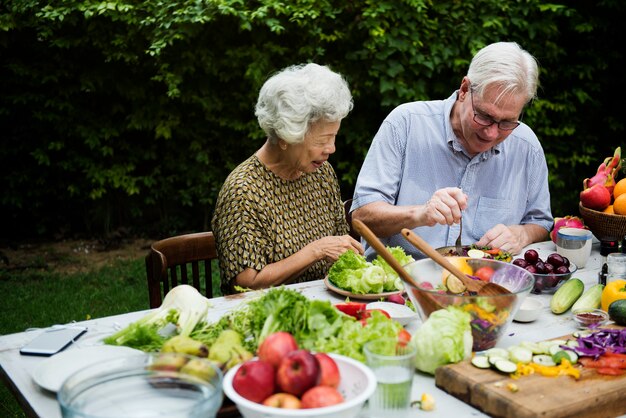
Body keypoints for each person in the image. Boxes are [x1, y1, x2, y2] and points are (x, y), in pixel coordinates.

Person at [351, 42, 553, 260]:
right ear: (465, 90)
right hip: (400, 282)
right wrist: (420, 213)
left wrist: (522, 234)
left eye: (507, 122)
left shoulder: (526, 146)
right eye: (484, 116)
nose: (492, 134)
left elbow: (540, 222)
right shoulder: (406, 124)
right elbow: (362, 216)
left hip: (482, 283)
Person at [212, 63, 363, 294]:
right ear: (286, 135)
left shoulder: (322, 174)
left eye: (334, 137)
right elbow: (245, 283)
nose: (331, 148)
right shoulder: (243, 191)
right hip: (268, 317)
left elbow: (339, 245)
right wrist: (316, 250)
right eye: (322, 140)